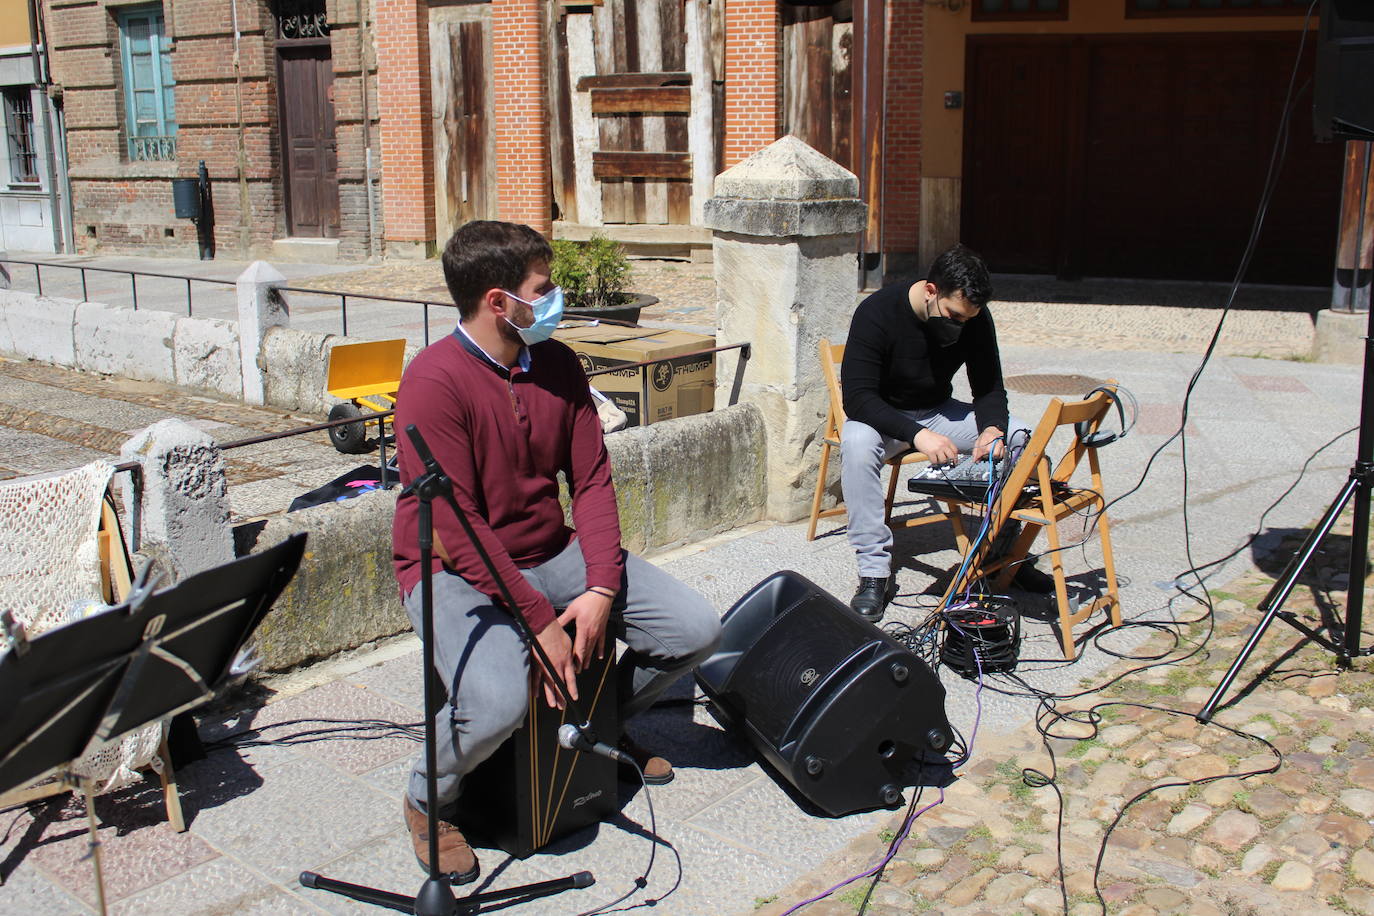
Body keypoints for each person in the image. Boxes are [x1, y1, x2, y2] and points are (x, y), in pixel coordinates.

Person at [391, 220, 721, 884]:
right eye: (542, 289)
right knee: (498, 699)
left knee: (695, 629)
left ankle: (606, 723)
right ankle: (429, 796)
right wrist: (540, 620)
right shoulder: (433, 381)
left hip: (547, 548)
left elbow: (593, 479)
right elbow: (459, 526)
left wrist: (599, 589)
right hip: (450, 567)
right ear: (496, 302)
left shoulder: (559, 364)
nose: (555, 298)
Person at [839, 243, 1040, 622]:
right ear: (931, 291)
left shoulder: (974, 317)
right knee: (856, 443)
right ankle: (873, 572)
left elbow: (989, 386)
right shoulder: (877, 311)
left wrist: (992, 429)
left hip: (939, 412)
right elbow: (858, 398)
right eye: (953, 316)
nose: (960, 324)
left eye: (968, 318)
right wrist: (917, 435)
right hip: (884, 418)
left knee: (1021, 438)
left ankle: (1005, 554)